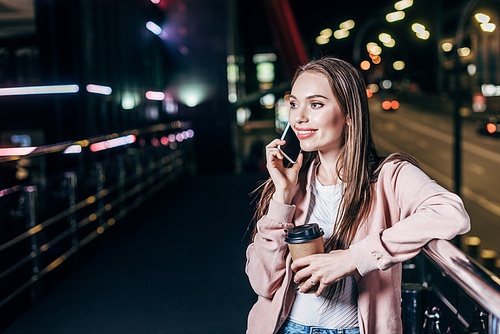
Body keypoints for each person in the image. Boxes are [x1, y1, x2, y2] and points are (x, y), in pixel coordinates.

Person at [245, 57, 470, 334]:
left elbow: (451, 214)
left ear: (349, 114)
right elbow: (262, 283)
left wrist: (353, 258)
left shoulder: (388, 176)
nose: (299, 117)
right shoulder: (291, 183)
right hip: (285, 327)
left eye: (315, 104)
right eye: (294, 103)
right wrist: (282, 197)